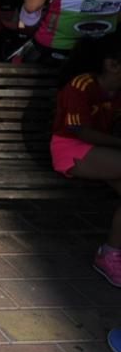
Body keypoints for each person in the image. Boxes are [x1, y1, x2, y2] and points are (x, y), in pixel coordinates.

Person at [50, 32, 121, 286]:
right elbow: (81, 131)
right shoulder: (82, 85)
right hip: (71, 148)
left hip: (102, 151)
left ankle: (111, 253)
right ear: (112, 65)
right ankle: (110, 255)